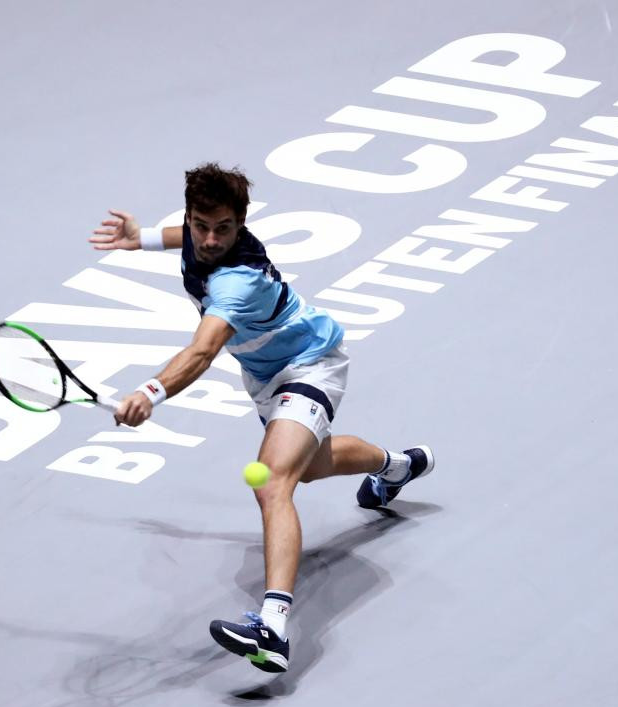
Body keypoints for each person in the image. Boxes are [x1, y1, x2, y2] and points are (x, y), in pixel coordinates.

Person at [89, 163, 434, 673]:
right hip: (268, 379)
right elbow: (181, 235)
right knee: (311, 466)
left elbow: (203, 351)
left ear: (242, 222)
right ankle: (398, 466)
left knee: (273, 482)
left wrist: (151, 391)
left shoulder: (238, 281)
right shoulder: (198, 232)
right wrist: (141, 238)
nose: (209, 239)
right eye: (200, 225)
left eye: (223, 228)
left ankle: (272, 627)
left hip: (312, 365)